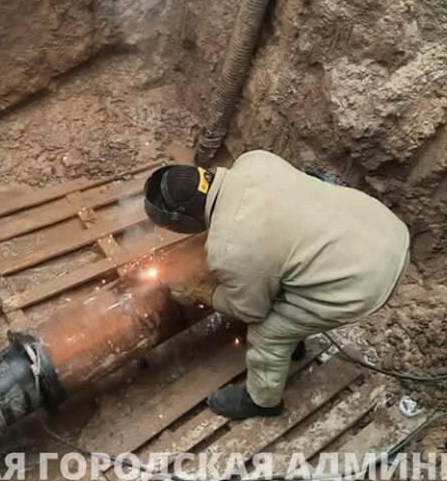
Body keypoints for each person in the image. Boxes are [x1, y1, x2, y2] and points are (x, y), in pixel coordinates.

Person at [143, 150, 410, 420]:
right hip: (383, 227)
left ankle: (262, 401)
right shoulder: (253, 161)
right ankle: (295, 337)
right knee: (285, 275)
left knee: (267, 332)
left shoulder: (229, 250)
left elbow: (250, 312)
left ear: (185, 221)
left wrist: (201, 290)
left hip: (367, 280)